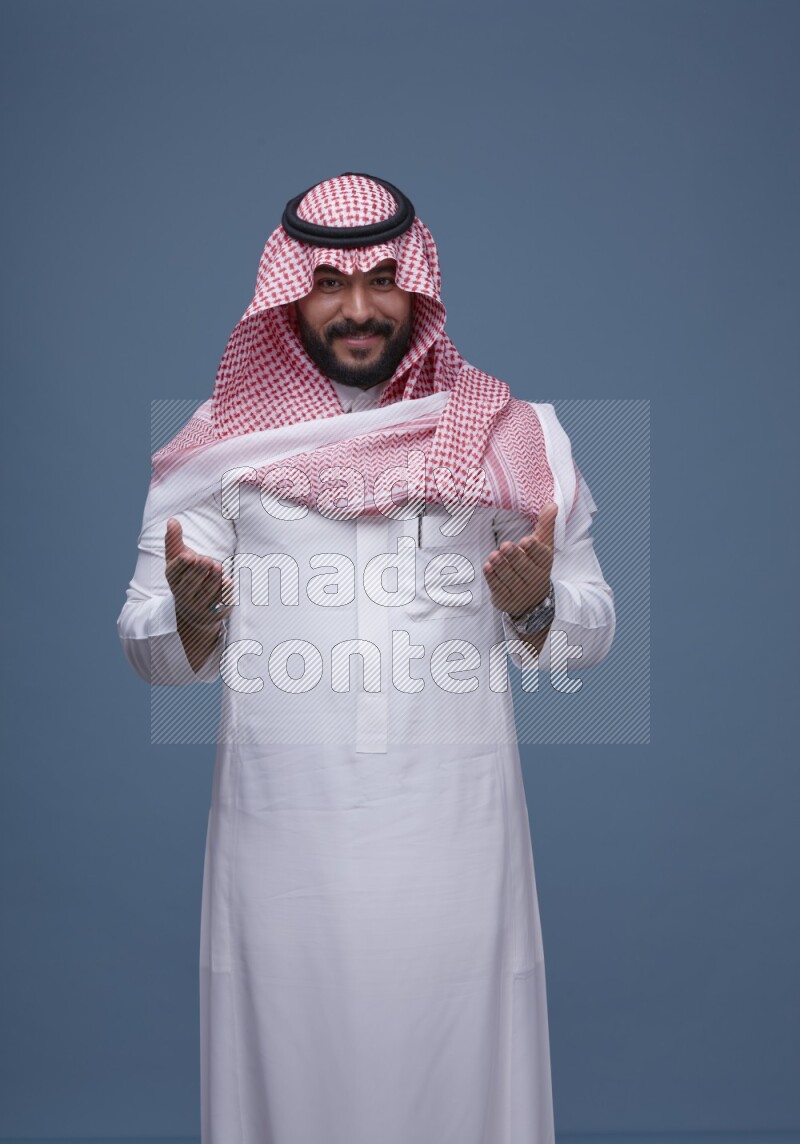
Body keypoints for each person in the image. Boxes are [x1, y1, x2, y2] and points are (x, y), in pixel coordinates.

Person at [117, 173, 615, 1144]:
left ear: (418, 286)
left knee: (457, 1078)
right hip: (283, 847)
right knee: (291, 1086)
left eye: (382, 279)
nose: (356, 308)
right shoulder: (219, 445)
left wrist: (536, 604)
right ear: (288, 292)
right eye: (330, 283)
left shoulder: (509, 432)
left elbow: (590, 627)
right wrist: (191, 621)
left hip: (454, 844)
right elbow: (147, 643)